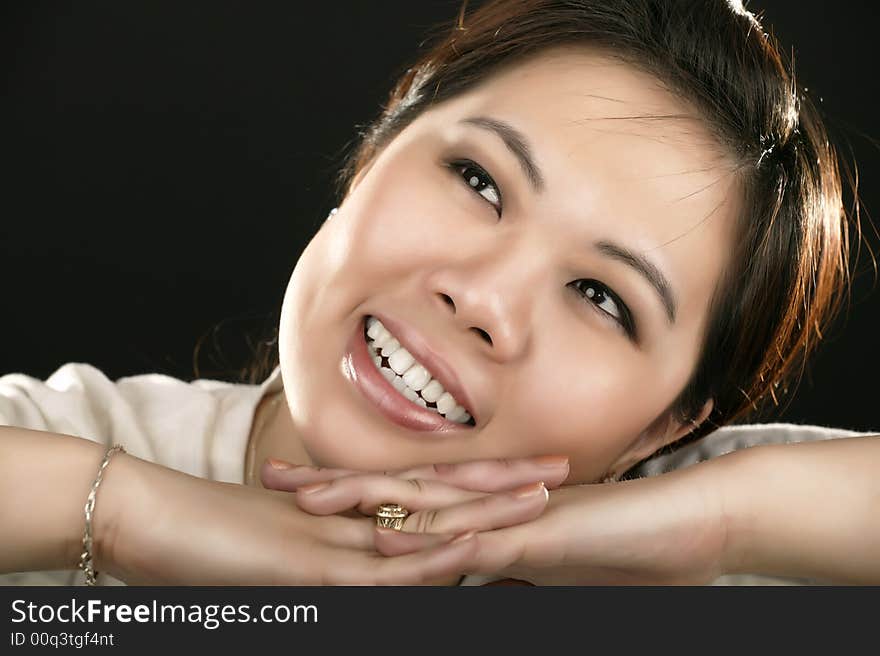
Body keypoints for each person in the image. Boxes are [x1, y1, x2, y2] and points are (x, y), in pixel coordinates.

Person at [1, 0, 878, 586]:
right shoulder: (84, 450)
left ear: (668, 424)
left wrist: (731, 523)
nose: (483, 301)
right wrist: (122, 514)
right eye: (478, 179)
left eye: (602, 296)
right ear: (373, 155)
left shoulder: (738, 548)